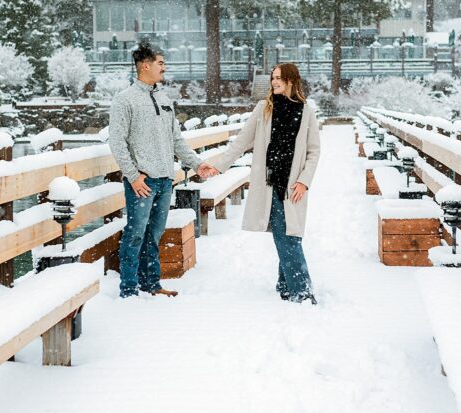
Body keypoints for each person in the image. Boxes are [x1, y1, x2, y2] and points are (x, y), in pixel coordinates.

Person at [108, 40, 217, 298]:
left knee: (154, 235)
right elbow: (117, 141)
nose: (164, 67)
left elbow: (176, 140)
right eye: (160, 63)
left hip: (166, 180)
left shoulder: (164, 99)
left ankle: (151, 285)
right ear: (144, 66)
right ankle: (128, 290)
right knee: (135, 235)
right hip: (142, 182)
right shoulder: (124, 100)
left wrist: (197, 163)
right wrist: (133, 176)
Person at [205, 63, 321, 303]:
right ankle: (301, 290)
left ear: (291, 81)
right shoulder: (264, 108)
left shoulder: (306, 111)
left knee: (291, 234)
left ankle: (286, 285)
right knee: (286, 234)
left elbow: (313, 151)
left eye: (279, 78)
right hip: (270, 182)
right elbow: (241, 142)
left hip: (293, 184)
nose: (274, 82)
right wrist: (219, 165)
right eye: (272, 78)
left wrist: (304, 181)